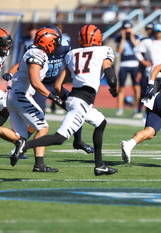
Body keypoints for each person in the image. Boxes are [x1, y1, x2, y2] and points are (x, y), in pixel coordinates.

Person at [10, 24, 119, 176]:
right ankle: (24, 146)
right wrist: (113, 87)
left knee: (101, 122)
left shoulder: (72, 54)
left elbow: (58, 85)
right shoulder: (103, 50)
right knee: (59, 138)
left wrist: (64, 101)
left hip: (75, 98)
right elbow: (110, 75)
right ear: (98, 38)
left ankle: (100, 165)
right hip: (83, 101)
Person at [4, 25, 95, 154]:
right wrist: (11, 73)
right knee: (37, 120)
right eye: (55, 41)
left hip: (55, 84)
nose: (57, 44)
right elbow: (21, 63)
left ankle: (78, 140)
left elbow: (72, 63)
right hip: (40, 86)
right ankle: (20, 148)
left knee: (76, 109)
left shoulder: (64, 47)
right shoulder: (37, 50)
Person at [7, 27, 63, 172]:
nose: (56, 45)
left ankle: (22, 147)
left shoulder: (34, 51)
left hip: (16, 95)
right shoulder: (37, 54)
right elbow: (35, 82)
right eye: (55, 42)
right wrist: (52, 96)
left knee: (20, 136)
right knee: (43, 128)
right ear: (47, 42)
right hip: (21, 95)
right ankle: (39, 164)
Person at [114, 20, 142, 117]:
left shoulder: (137, 36)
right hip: (123, 64)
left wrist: (132, 37)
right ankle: (120, 109)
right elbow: (119, 51)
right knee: (121, 88)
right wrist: (123, 38)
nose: (127, 30)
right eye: (125, 28)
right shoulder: (119, 38)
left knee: (136, 88)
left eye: (128, 28)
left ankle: (136, 109)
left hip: (135, 64)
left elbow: (139, 48)